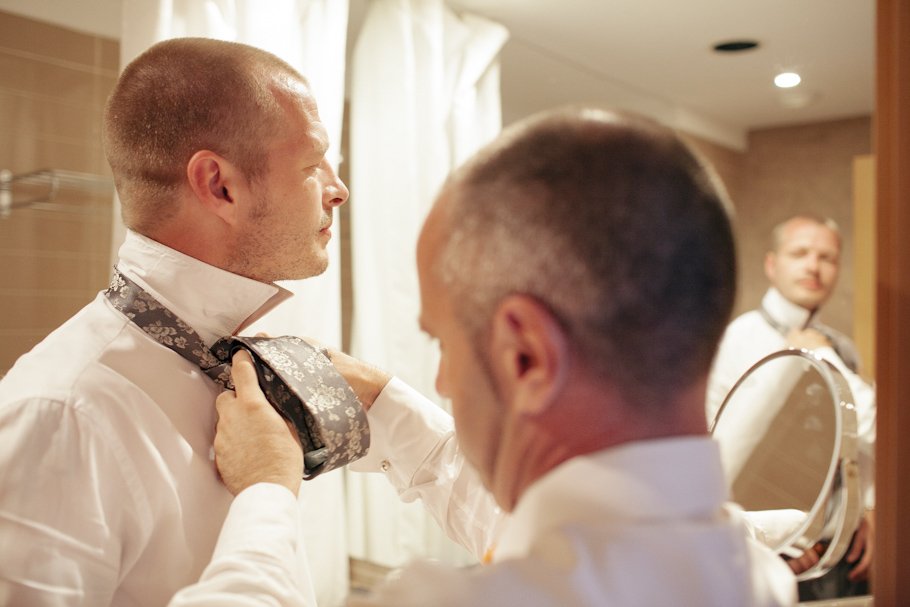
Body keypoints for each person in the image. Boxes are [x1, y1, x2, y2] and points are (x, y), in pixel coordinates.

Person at [170, 107, 798, 606]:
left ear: (525, 357)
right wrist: (389, 409)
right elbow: (552, 540)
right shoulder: (750, 568)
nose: (442, 378)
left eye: (444, 344)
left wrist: (266, 492)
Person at [0, 37, 356, 605]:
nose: (339, 191)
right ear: (220, 185)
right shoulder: (61, 413)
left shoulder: (236, 356)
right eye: (313, 164)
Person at [706, 214, 876, 597]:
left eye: (827, 257)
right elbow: (732, 450)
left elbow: (857, 439)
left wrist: (866, 508)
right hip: (771, 551)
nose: (813, 267)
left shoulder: (839, 347)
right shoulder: (741, 340)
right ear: (772, 264)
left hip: (841, 549)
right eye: (800, 253)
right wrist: (774, 540)